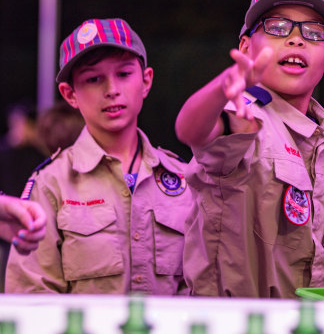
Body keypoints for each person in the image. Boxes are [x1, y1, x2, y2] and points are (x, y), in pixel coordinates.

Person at [176, 0, 324, 299]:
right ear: (247, 49)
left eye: (314, 32)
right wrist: (223, 86)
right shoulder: (242, 114)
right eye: (278, 27)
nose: (296, 40)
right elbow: (190, 130)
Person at [5, 18, 194, 294]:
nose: (111, 90)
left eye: (124, 74)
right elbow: (32, 296)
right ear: (70, 94)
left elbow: (204, 288)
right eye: (94, 79)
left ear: (146, 81)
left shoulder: (183, 178)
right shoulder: (51, 183)